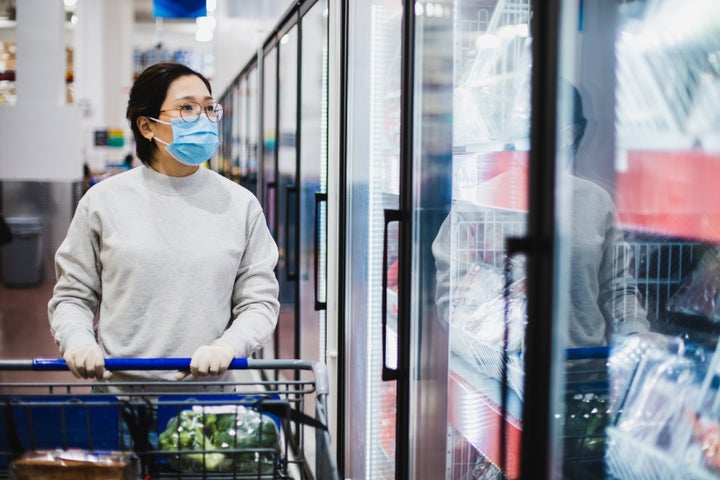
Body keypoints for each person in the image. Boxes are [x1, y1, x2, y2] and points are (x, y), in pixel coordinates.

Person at [48, 62, 280, 388]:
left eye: (209, 107)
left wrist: (229, 346)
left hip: (208, 401)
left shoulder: (241, 206)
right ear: (147, 127)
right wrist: (77, 340)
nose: (203, 118)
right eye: (187, 107)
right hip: (119, 396)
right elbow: (73, 296)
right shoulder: (103, 202)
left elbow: (259, 302)